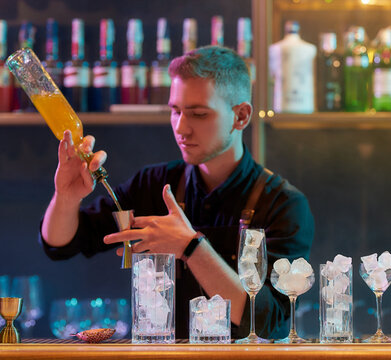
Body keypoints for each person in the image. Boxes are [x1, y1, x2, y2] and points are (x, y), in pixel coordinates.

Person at [39, 45, 314, 339]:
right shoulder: (152, 183)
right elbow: (62, 245)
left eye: (198, 113)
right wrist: (66, 197)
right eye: (175, 110)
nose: (181, 127)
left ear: (241, 116)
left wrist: (190, 247)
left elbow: (269, 322)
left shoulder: (283, 203)